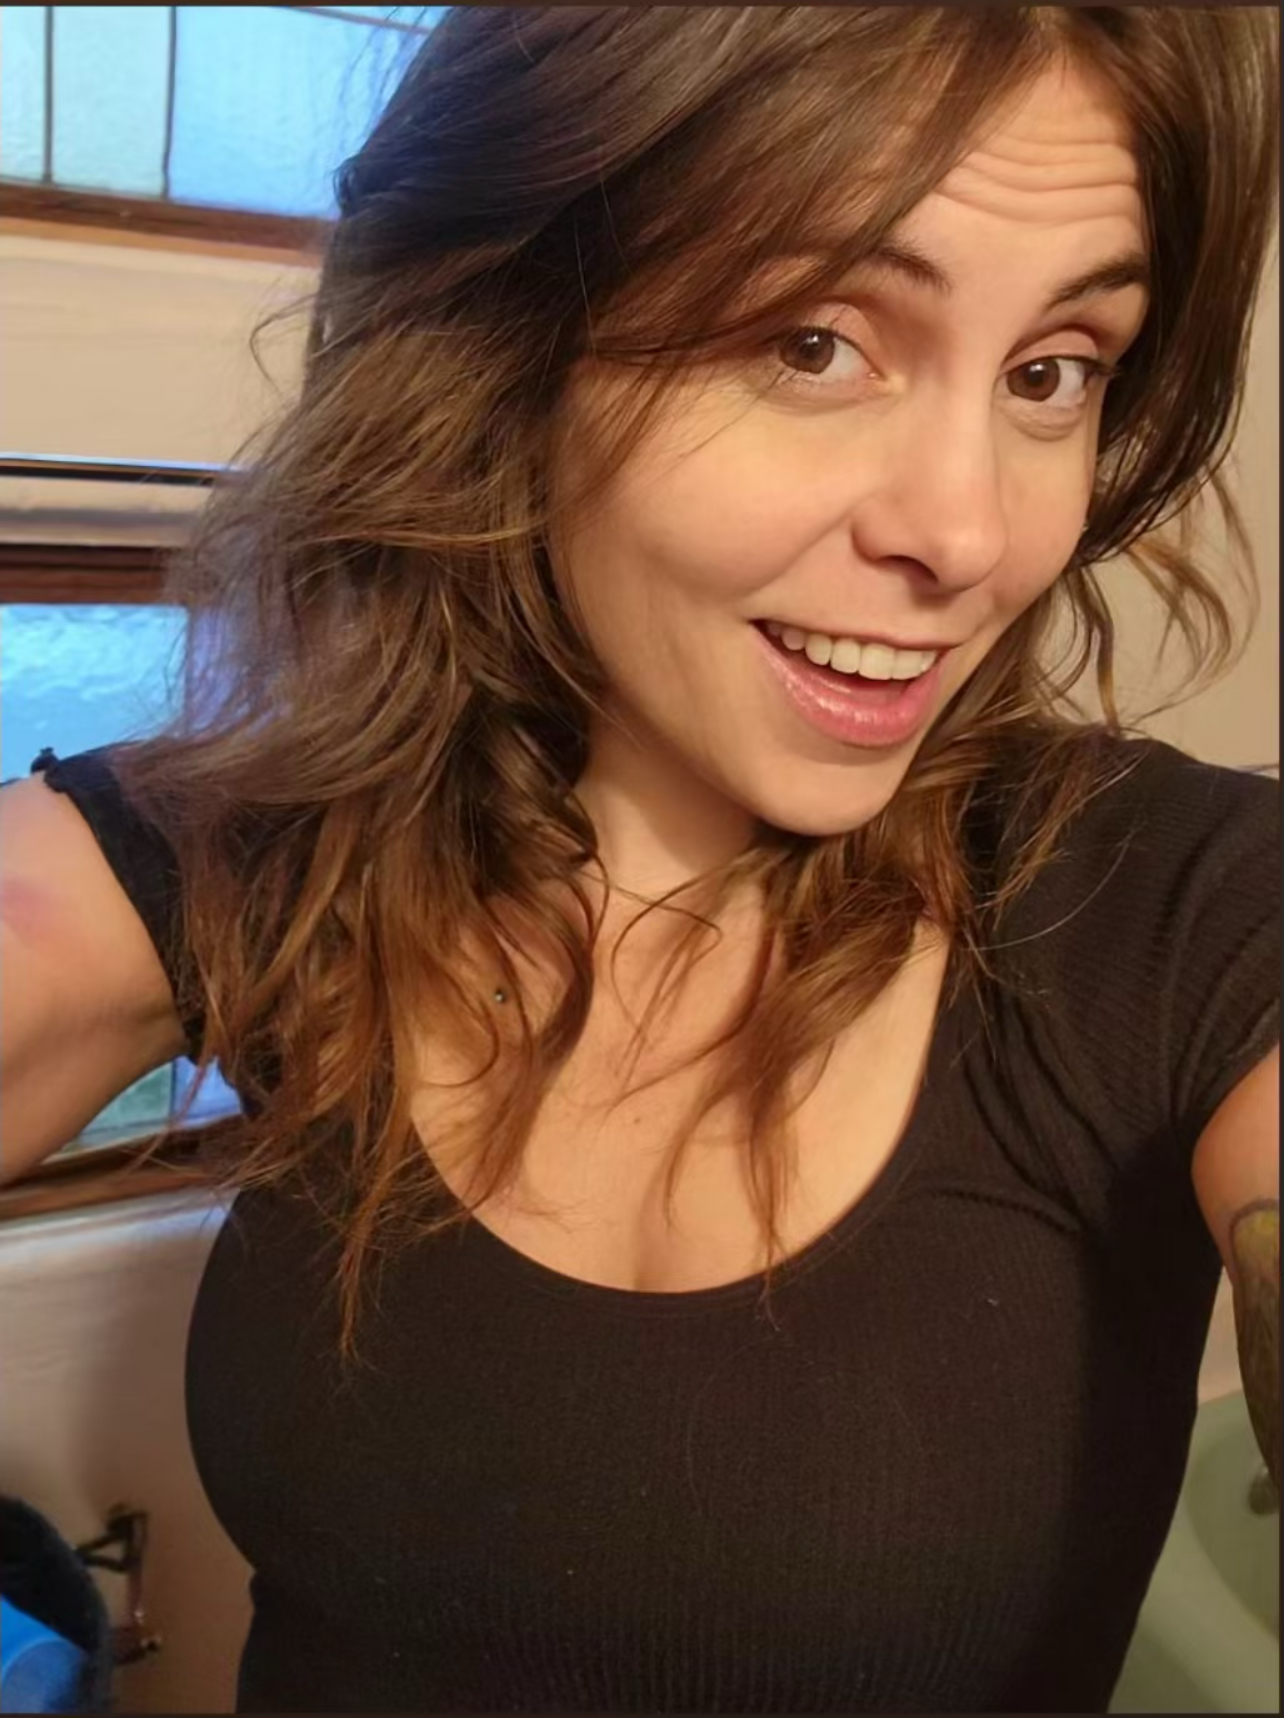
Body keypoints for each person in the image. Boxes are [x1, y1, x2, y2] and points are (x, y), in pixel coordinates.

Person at [1, 6, 1279, 1712]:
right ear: (507, 335)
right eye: (815, 342)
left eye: (1052, 370)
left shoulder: (1175, 906)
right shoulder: (293, 851)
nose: (970, 534)